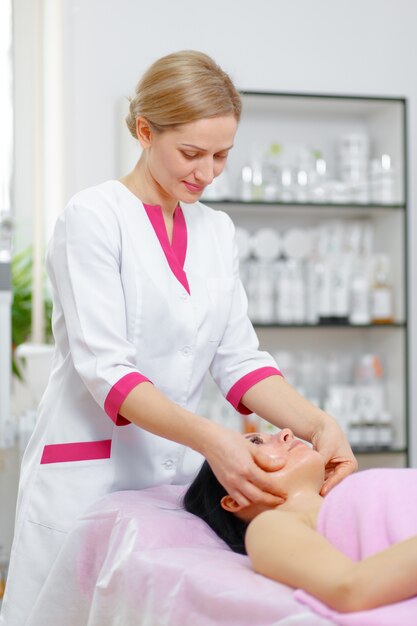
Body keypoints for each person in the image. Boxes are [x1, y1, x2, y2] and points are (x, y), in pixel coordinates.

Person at [1, 50, 356, 625]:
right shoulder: (93, 216)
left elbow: (239, 359)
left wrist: (317, 424)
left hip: (166, 483)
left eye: (221, 155)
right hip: (89, 472)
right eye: (191, 153)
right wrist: (212, 441)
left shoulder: (216, 230)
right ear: (145, 131)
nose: (208, 172)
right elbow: (106, 370)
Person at [184, 428, 417, 616]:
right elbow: (349, 588)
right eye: (256, 442)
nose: (286, 432)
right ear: (235, 500)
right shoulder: (269, 526)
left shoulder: (347, 496)